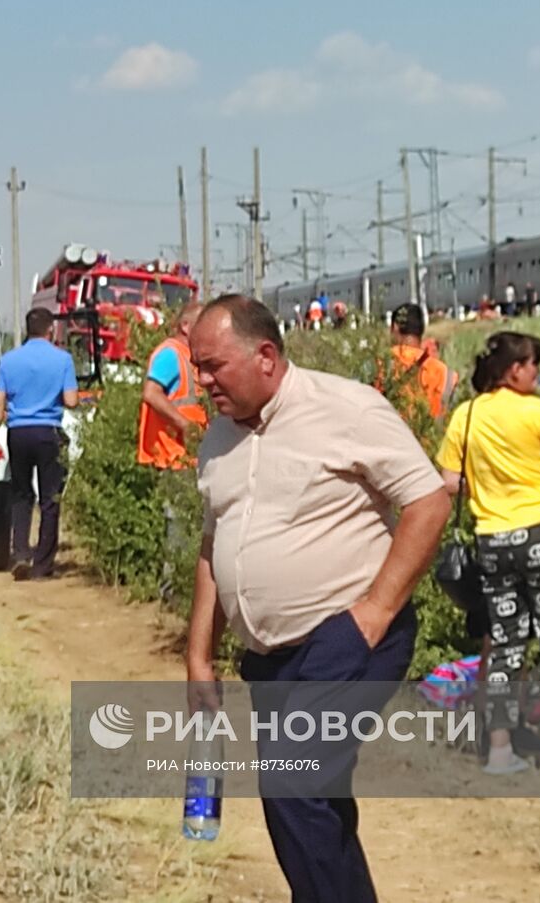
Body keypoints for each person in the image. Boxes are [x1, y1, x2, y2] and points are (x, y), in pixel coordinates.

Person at [186, 295, 450, 901]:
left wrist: (375, 610)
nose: (201, 380)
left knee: (291, 783)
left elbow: (429, 501)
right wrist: (200, 655)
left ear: (267, 357)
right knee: (314, 798)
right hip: (271, 658)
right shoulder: (218, 440)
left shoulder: (347, 408)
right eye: (199, 366)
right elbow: (213, 546)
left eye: (213, 366)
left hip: (349, 638)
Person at [435, 332, 540, 778]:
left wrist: (491, 484)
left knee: (506, 646)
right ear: (515, 371)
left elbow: (450, 481)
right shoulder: (536, 411)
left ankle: (499, 751)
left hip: (494, 540)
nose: (538, 373)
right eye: (533, 365)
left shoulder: (466, 416)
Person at [0, 308, 78, 581]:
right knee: (50, 498)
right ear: (51, 330)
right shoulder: (62, 359)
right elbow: (72, 401)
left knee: (21, 494)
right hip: (48, 431)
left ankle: (20, 553)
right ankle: (42, 564)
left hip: (18, 432)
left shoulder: (10, 361)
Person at [137, 303, 205, 469]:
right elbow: (151, 393)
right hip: (173, 458)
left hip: (189, 456)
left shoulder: (189, 355)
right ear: (185, 326)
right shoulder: (171, 354)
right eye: (203, 325)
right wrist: (186, 426)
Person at [385, 302, 456, 420]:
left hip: (391, 436)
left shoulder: (383, 362)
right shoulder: (445, 373)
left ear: (395, 327)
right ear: (421, 329)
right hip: (431, 437)